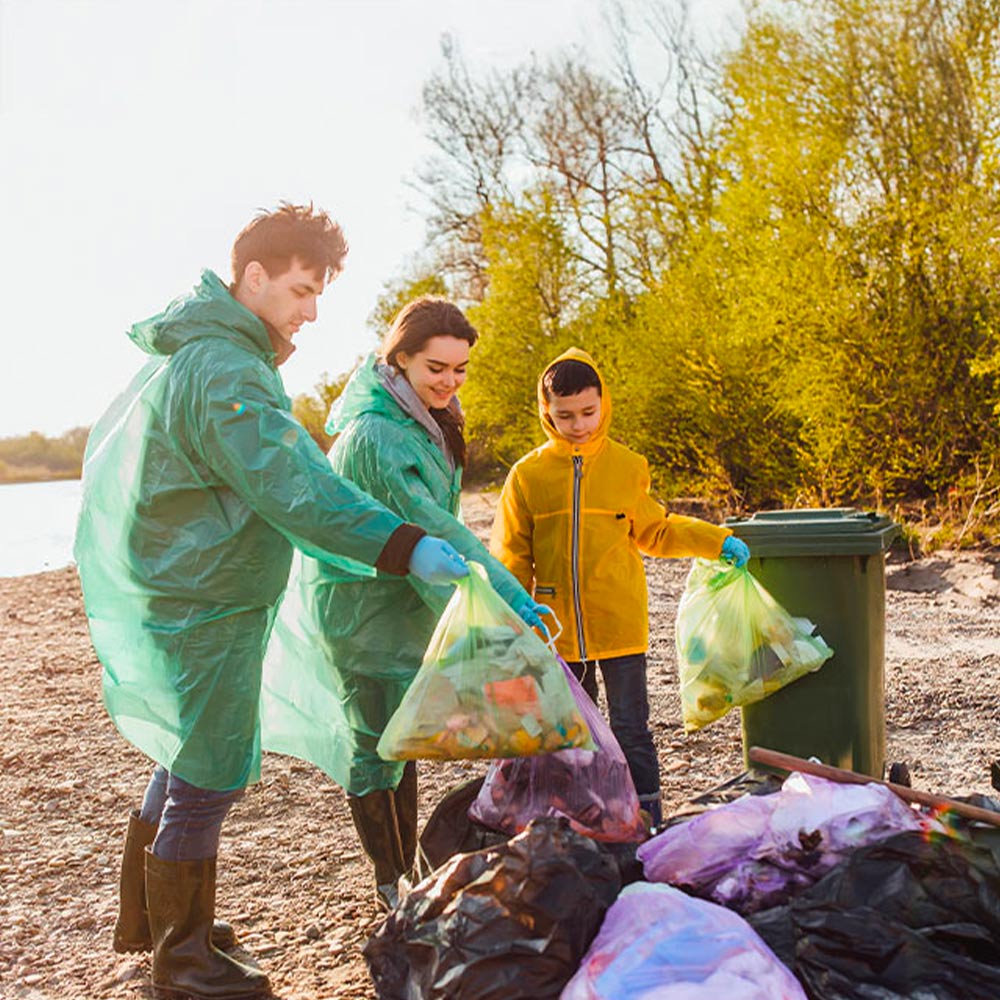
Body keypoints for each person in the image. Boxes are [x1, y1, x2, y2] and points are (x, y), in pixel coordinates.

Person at [74, 205, 470, 1000]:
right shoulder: (225, 369)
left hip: (195, 593)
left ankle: (159, 926)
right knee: (209, 772)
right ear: (252, 277)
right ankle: (184, 963)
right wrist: (405, 545)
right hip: (205, 603)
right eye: (300, 289)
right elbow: (297, 486)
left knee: (183, 755)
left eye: (318, 293)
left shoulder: (211, 354)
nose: (311, 311)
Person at [260, 296, 547, 911]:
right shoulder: (378, 436)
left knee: (402, 738)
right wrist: (511, 598)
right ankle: (390, 879)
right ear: (400, 360)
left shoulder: (425, 415)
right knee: (373, 745)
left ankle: (407, 870)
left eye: (460, 368)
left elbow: (440, 525)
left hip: (403, 598)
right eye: (435, 368)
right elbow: (435, 527)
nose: (449, 381)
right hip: (360, 606)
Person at [489, 347, 750, 830]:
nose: (579, 424)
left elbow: (658, 530)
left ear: (603, 404)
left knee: (631, 730)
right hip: (555, 632)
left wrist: (716, 542)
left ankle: (646, 819)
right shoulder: (527, 476)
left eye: (588, 412)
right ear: (546, 412)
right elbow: (510, 555)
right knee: (572, 736)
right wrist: (513, 612)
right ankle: (585, 821)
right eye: (565, 415)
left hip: (621, 626)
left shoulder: (628, 466)